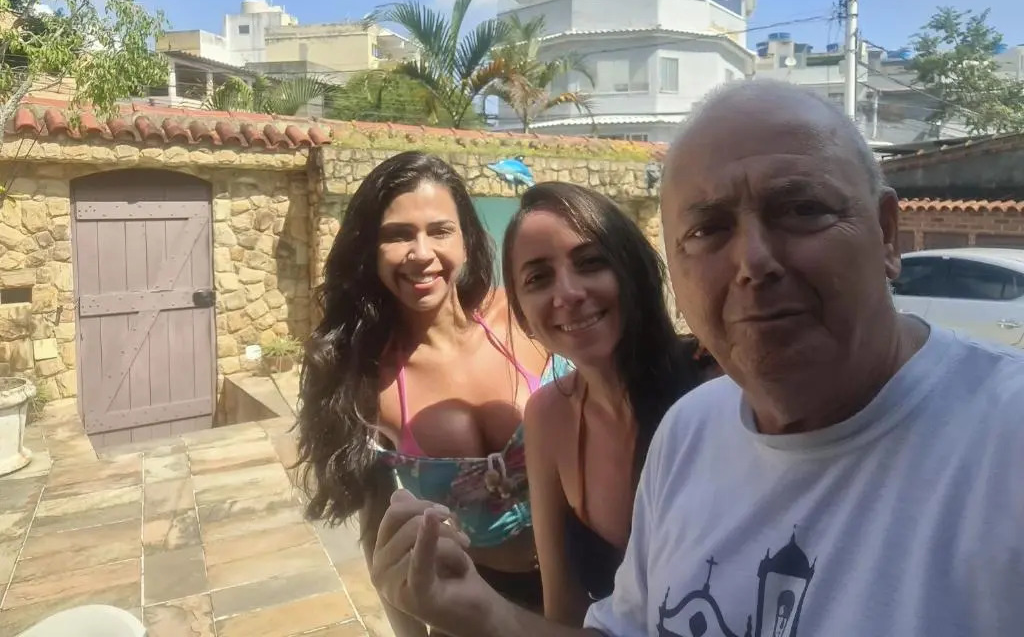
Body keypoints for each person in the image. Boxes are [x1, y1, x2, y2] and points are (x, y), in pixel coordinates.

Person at [366, 80, 1024, 637]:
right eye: (709, 229)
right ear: (678, 269)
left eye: (801, 209)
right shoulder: (691, 431)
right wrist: (478, 611)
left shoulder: (1002, 447)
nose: (754, 261)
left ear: (886, 233)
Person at [297, 151, 563, 636]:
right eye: (398, 235)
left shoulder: (523, 316)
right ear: (370, 249)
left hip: (585, 581)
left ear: (466, 239)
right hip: (471, 602)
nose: (421, 253)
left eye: (440, 230)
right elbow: (382, 532)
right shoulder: (368, 378)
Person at [504, 182, 717, 624]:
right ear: (522, 317)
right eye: (538, 278)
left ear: (633, 270)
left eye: (591, 263)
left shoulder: (716, 382)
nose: (568, 293)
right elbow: (562, 606)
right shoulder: (547, 417)